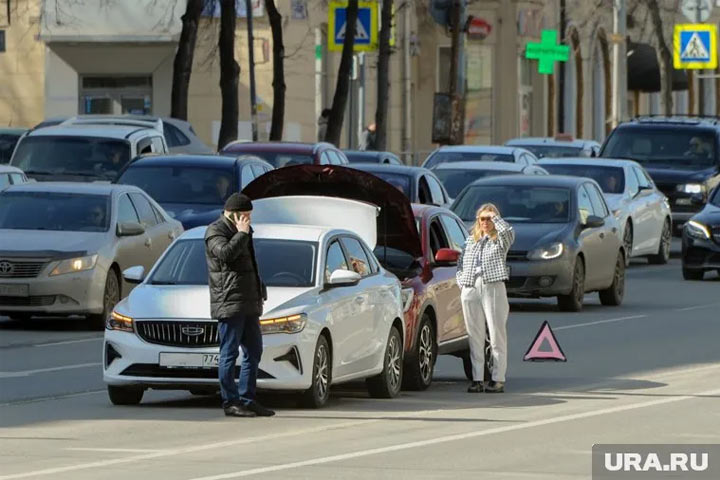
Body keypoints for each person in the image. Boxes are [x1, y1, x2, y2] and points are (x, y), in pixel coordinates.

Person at [205, 193, 274, 417]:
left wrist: (259, 292)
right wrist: (242, 234)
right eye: (245, 215)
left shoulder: (244, 231)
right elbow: (225, 255)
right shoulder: (215, 231)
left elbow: (250, 266)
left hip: (248, 302)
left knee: (254, 350)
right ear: (233, 214)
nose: (248, 220)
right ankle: (230, 401)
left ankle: (248, 398)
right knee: (229, 353)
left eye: (249, 216)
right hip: (229, 302)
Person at [456, 203, 514, 394]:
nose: (485, 223)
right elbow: (460, 263)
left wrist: (495, 216)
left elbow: (507, 232)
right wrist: (462, 283)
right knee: (475, 336)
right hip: (471, 286)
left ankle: (498, 378)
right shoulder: (471, 241)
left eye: (489, 219)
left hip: (493, 285)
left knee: (497, 335)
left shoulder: (499, 240)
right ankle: (477, 378)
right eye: (482, 219)